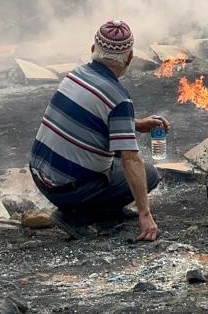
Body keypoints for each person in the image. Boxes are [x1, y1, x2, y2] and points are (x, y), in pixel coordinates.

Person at [29, 20, 168, 241]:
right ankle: (78, 215)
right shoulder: (118, 97)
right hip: (67, 190)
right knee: (149, 174)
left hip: (40, 175)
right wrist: (145, 214)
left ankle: (106, 209)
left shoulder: (75, 75)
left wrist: (137, 125)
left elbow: (94, 119)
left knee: (116, 159)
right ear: (130, 57)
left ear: (93, 49)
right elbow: (131, 160)